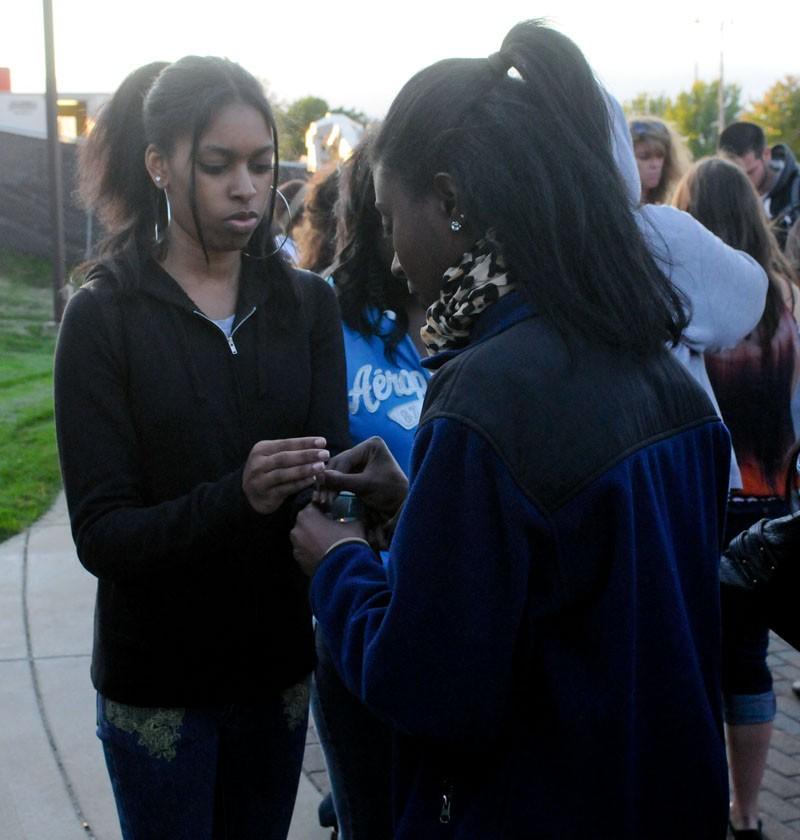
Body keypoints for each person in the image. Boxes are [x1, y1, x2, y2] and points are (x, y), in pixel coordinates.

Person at [290, 20, 732, 839]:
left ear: (452, 202)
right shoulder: (664, 370)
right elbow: (580, 597)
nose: (389, 258)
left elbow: (430, 686)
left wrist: (340, 562)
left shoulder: (484, 395)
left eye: (390, 219)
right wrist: (424, 504)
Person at [53, 57, 349, 839]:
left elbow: (332, 478)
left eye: (261, 164)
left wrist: (362, 493)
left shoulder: (308, 305)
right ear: (158, 165)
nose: (247, 187)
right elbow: (103, 534)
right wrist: (237, 494)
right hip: (159, 686)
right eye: (217, 166)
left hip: (276, 670)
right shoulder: (104, 316)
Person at [673, 156, 800, 839]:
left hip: (706, 505)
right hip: (776, 502)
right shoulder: (786, 296)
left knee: (694, 655)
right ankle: (747, 814)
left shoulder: (692, 309)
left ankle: (697, 801)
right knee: (749, 659)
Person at [311, 134, 429, 839]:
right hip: (356, 598)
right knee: (369, 814)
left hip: (444, 602)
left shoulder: (474, 318)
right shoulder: (328, 313)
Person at [719, 121, 800, 251]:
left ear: (766, 154)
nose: (743, 181)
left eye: (750, 172)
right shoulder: (725, 198)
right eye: (736, 175)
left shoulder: (796, 191)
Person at [628, 115, 690, 204]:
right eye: (644, 157)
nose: (655, 164)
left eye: (660, 156)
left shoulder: (670, 207)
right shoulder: (615, 207)